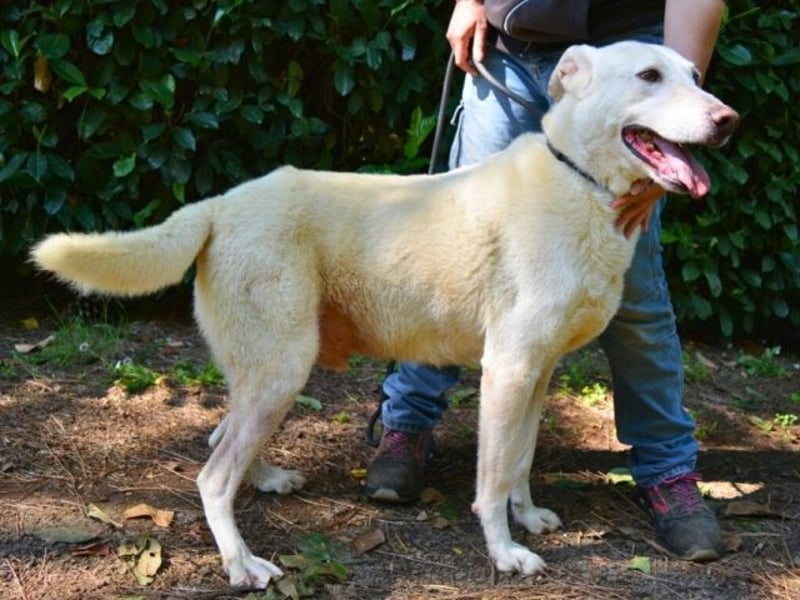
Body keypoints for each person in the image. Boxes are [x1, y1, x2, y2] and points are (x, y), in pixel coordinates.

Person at [365, 0, 727, 561]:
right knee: (451, 257)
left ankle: (666, 470)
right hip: (504, 53)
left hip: (627, 62)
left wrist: (665, 139)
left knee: (635, 296)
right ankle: (407, 425)